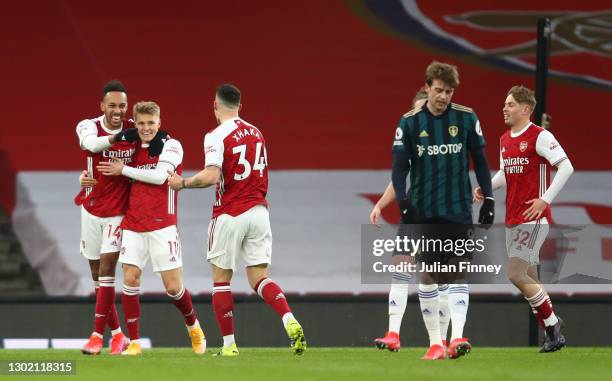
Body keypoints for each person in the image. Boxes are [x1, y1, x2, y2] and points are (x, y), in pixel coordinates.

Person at [167, 84, 306, 356]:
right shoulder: (257, 132)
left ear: (214, 106)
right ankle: (289, 319)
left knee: (221, 280)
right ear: (240, 106)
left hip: (230, 213)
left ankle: (229, 346)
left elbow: (211, 176)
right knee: (259, 279)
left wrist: (182, 183)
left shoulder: (216, 135)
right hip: (259, 213)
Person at [391, 62, 495, 360]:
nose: (443, 97)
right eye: (438, 90)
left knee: (458, 272)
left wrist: (488, 199)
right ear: (427, 87)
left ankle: (458, 338)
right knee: (428, 276)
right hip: (425, 210)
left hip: (458, 209)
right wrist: (404, 202)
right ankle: (435, 342)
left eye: (448, 91)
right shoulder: (409, 123)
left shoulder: (466, 117)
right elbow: (398, 169)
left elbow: (481, 161)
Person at [97, 101, 206, 356]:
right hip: (133, 223)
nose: (147, 128)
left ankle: (193, 325)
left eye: (151, 123)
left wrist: (124, 169)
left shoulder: (171, 145)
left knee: (173, 287)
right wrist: (86, 177)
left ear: (159, 122)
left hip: (162, 225)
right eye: (142, 123)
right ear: (135, 123)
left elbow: (160, 177)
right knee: (130, 278)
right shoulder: (132, 147)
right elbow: (101, 158)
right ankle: (134, 342)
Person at [474, 85, 572, 353]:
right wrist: (485, 186)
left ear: (526, 109)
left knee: (515, 274)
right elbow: (506, 174)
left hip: (534, 218)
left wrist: (545, 199)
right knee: (529, 277)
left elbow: (566, 166)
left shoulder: (540, 136)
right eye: (505, 104)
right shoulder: (506, 139)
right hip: (513, 218)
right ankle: (552, 329)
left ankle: (552, 325)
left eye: (511, 104)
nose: (504, 108)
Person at [374, 89, 452, 353]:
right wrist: (381, 204)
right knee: (400, 269)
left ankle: (440, 341)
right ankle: (393, 333)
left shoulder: (446, 141)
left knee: (436, 279)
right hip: (413, 215)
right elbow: (399, 178)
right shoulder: (409, 139)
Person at [75, 80, 139, 355]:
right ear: (102, 106)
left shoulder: (137, 130)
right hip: (90, 208)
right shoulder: (88, 125)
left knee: (106, 271)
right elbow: (90, 144)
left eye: (122, 105)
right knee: (95, 276)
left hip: (118, 213)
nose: (117, 110)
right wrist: (119, 136)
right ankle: (118, 335)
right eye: (112, 105)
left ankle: (95, 337)